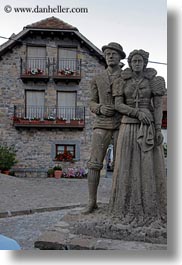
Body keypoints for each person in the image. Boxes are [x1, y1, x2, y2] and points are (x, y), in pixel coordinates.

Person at [109, 49, 167, 226]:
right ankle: (124, 208)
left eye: (140, 61)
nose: (136, 63)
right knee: (125, 165)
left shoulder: (155, 81)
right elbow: (117, 104)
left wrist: (158, 128)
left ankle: (150, 209)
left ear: (145, 63)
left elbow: (157, 107)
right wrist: (137, 112)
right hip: (127, 126)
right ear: (130, 63)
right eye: (133, 60)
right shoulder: (121, 81)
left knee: (147, 166)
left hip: (147, 127)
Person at [82, 42, 126, 214]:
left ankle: (118, 202)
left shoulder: (126, 77)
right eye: (107, 53)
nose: (110, 56)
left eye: (114, 53)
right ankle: (92, 201)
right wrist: (100, 108)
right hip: (101, 124)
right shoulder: (97, 78)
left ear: (120, 57)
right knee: (94, 164)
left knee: (121, 164)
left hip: (121, 124)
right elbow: (92, 102)